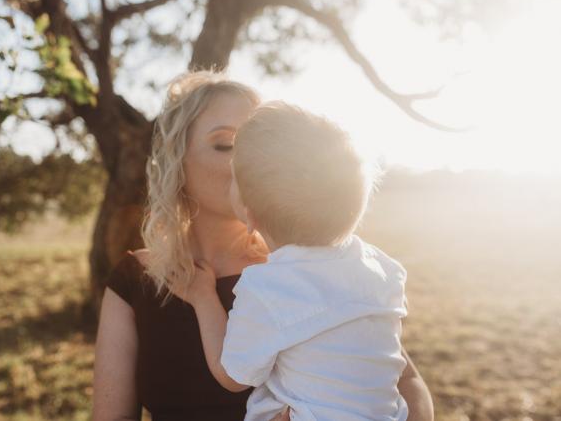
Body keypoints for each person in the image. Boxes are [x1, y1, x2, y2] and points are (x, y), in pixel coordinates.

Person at [92, 71, 435, 421]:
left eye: (260, 147)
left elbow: (404, 380)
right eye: (226, 145)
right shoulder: (135, 280)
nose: (250, 162)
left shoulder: (313, 265)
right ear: (177, 159)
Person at [172, 101, 409, 421]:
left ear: (249, 215)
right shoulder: (383, 268)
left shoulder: (268, 287)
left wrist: (203, 299)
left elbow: (233, 377)